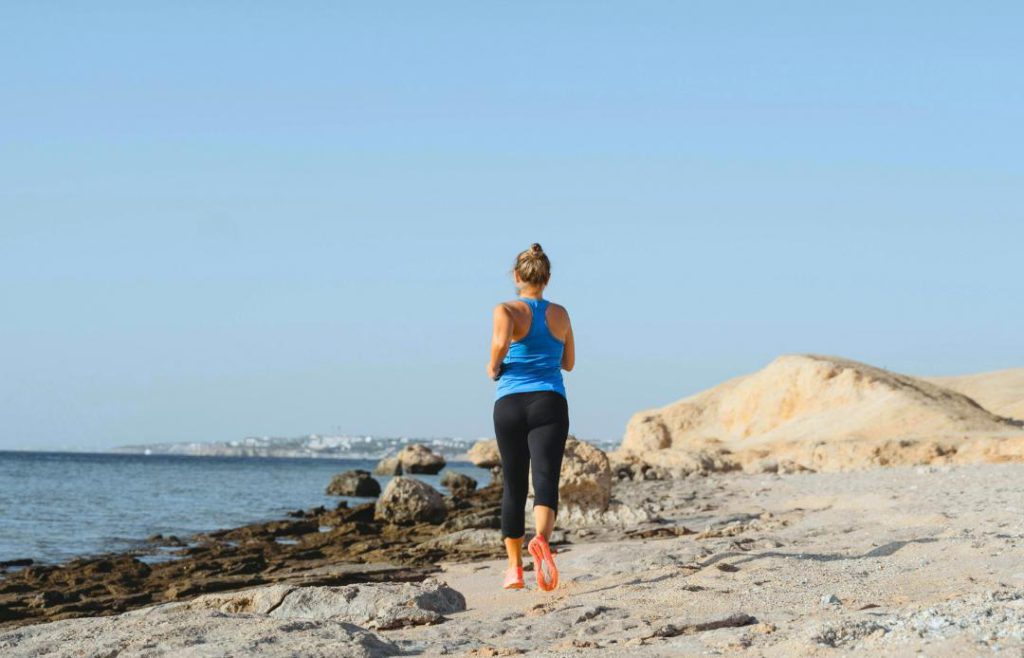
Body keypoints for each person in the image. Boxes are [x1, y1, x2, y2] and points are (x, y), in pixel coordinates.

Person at [487, 243, 574, 591]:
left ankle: (514, 569)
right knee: (545, 479)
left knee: (514, 483)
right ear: (547, 278)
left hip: (510, 403)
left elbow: (497, 352)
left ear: (516, 276)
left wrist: (494, 367)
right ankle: (541, 539)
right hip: (550, 401)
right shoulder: (561, 314)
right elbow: (568, 363)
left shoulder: (505, 310)